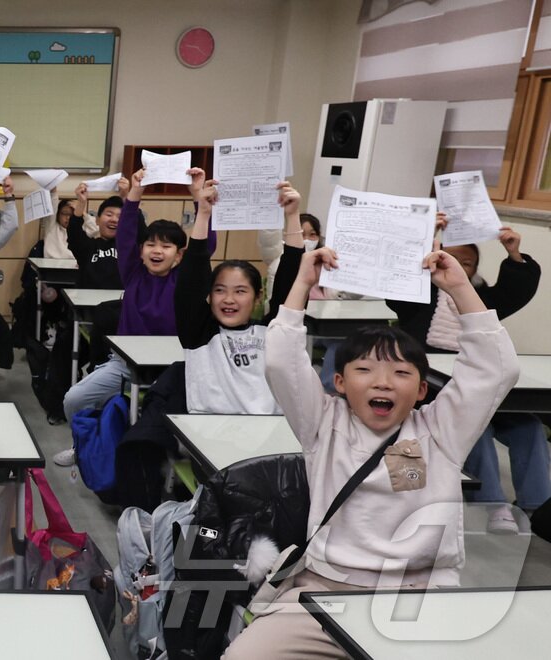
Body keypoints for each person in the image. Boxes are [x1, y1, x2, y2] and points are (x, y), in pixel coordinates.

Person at [222, 246, 519, 659]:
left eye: (400, 373)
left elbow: (495, 369)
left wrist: (459, 288)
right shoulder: (323, 423)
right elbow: (281, 363)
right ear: (340, 383)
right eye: (365, 370)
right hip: (324, 590)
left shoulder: (442, 431)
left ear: (420, 391)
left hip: (420, 594)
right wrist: (303, 283)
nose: (382, 383)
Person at [387, 222, 544, 532]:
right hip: (435, 389)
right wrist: (423, 237)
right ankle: (493, 503)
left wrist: (513, 253)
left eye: (467, 262)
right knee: (476, 426)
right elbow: (397, 284)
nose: (458, 265)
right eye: (450, 256)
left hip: (484, 387)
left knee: (531, 427)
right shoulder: (419, 295)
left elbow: (515, 291)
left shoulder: (481, 298)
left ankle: (538, 507)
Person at [55, 167, 215, 466]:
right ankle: (84, 448)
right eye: (151, 244)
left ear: (179, 255)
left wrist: (199, 201)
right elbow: (126, 235)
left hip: (174, 370)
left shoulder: (186, 281)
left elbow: (204, 247)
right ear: (141, 251)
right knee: (74, 399)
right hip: (125, 364)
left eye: (166, 246)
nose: (157, 251)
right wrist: (134, 197)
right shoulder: (133, 274)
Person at [176, 179, 304, 414]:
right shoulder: (199, 333)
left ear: (258, 296)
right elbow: (191, 277)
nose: (228, 299)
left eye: (240, 291)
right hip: (210, 435)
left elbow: (292, 283)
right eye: (220, 290)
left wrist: (293, 216)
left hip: (267, 438)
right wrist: (203, 214)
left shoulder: (273, 332)